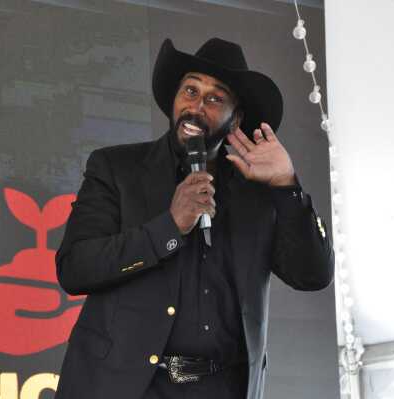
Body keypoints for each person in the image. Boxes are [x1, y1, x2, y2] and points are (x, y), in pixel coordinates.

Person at [53, 37, 334, 399]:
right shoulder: (116, 168)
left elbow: (313, 276)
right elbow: (75, 269)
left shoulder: (257, 192)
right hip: (127, 387)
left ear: (238, 119)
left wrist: (286, 186)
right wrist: (169, 226)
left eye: (215, 98)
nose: (197, 106)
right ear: (173, 99)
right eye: (189, 90)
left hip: (223, 387)